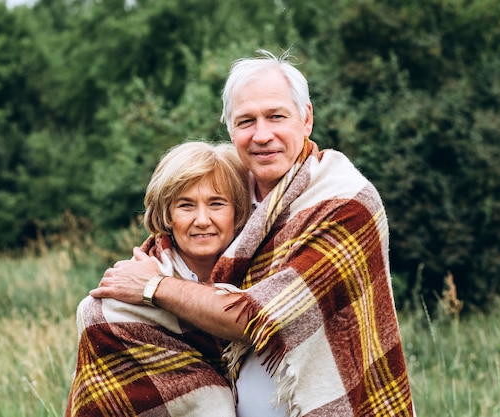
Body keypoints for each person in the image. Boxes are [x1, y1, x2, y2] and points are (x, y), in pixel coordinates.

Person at [92, 49, 415, 416]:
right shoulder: (229, 194)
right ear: (230, 129)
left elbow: (259, 318)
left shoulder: (343, 203)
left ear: (306, 119)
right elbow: (172, 258)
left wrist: (154, 287)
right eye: (246, 121)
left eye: (276, 116)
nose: (262, 135)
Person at [66, 141, 251, 417]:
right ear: (167, 215)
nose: (202, 219)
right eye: (186, 205)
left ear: (237, 211)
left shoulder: (259, 274)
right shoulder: (124, 292)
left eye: (216, 203)